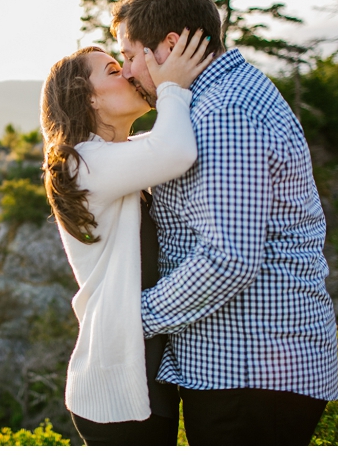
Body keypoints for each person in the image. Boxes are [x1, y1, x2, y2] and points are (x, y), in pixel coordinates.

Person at [111, 0, 338, 446]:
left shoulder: (226, 111)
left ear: (169, 46)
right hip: (243, 368)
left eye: (131, 55)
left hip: (251, 371)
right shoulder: (216, 101)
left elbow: (228, 256)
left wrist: (134, 316)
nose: (128, 71)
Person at [40, 29, 213, 445]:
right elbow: (174, 150)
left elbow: (171, 142)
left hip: (143, 377)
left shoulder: (117, 157)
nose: (132, 75)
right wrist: (171, 86)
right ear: (89, 98)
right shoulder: (81, 163)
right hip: (116, 390)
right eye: (115, 70)